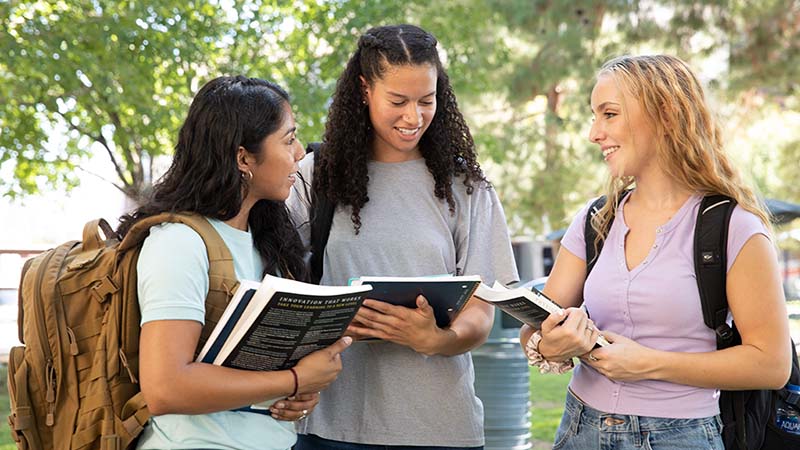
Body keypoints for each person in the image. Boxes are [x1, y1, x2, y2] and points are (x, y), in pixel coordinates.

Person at [519, 54, 791, 450]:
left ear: (664, 114)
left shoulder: (734, 227)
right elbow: (534, 326)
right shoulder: (596, 220)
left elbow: (771, 364)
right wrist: (549, 344)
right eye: (594, 116)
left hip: (680, 437)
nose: (594, 132)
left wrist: (648, 363)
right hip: (580, 428)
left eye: (609, 114)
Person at [287, 24, 518, 449]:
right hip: (333, 427)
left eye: (426, 101)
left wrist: (438, 339)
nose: (414, 117)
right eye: (398, 101)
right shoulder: (314, 178)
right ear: (364, 90)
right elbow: (279, 283)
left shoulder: (465, 186)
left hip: (440, 428)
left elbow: (482, 310)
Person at [117, 76, 352, 450]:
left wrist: (297, 397)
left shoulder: (269, 244)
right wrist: (293, 380)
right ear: (244, 158)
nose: (299, 155)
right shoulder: (179, 243)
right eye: (288, 139)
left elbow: (253, 380)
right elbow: (166, 387)